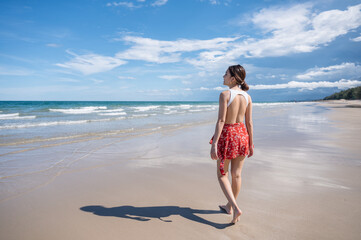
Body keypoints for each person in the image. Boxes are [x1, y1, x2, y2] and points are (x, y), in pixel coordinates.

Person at [210, 64, 254, 224]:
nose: (223, 76)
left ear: (233, 78)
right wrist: (251, 143)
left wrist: (214, 143)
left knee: (222, 174)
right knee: (237, 175)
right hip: (242, 134)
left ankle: (235, 207)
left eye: (225, 74)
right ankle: (229, 206)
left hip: (228, 135)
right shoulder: (248, 97)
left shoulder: (225, 95)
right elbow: (249, 122)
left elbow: (221, 120)